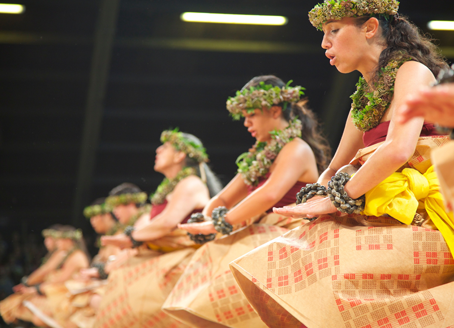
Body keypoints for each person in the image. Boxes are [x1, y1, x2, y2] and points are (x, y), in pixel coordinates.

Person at [229, 2, 454, 327]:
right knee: (280, 259)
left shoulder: (412, 71)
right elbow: (336, 167)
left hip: (426, 213)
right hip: (377, 209)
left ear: (370, 27)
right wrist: (316, 197)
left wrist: (335, 198)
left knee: (329, 264)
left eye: (334, 31)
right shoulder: (363, 98)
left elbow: (397, 150)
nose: (324, 43)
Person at [162, 75, 331, 327]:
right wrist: (205, 218)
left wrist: (220, 223)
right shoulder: (259, 154)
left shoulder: (296, 148)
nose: (246, 122)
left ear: (274, 111)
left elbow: (269, 195)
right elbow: (223, 197)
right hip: (255, 233)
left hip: (288, 235)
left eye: (251, 114)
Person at [93, 130, 222, 328]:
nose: (158, 149)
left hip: (187, 258)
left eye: (165, 146)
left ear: (180, 155)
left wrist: (131, 237)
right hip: (166, 256)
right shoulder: (170, 188)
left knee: (126, 290)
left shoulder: (191, 184)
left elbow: (166, 223)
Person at [0, 226, 90, 328]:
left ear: (68, 240)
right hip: (56, 292)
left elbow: (60, 280)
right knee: (18, 304)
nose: (57, 243)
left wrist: (35, 289)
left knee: (24, 307)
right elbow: (47, 271)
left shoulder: (76, 256)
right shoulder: (66, 254)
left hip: (67, 297)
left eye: (59, 240)